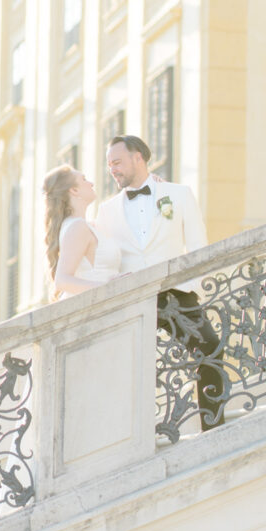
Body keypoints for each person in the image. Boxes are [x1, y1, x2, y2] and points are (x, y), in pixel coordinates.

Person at [96, 135, 225, 429]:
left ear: (138, 158)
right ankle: (132, 435)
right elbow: (103, 259)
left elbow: (197, 245)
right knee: (128, 367)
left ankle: (213, 424)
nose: (112, 169)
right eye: (109, 165)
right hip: (132, 298)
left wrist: (191, 285)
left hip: (177, 294)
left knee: (210, 347)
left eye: (116, 162)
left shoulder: (178, 194)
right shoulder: (107, 210)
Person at [42, 164, 121, 298]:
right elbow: (62, 281)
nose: (91, 183)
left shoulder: (86, 226)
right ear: (74, 190)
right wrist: (108, 288)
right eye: (84, 180)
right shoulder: (77, 227)